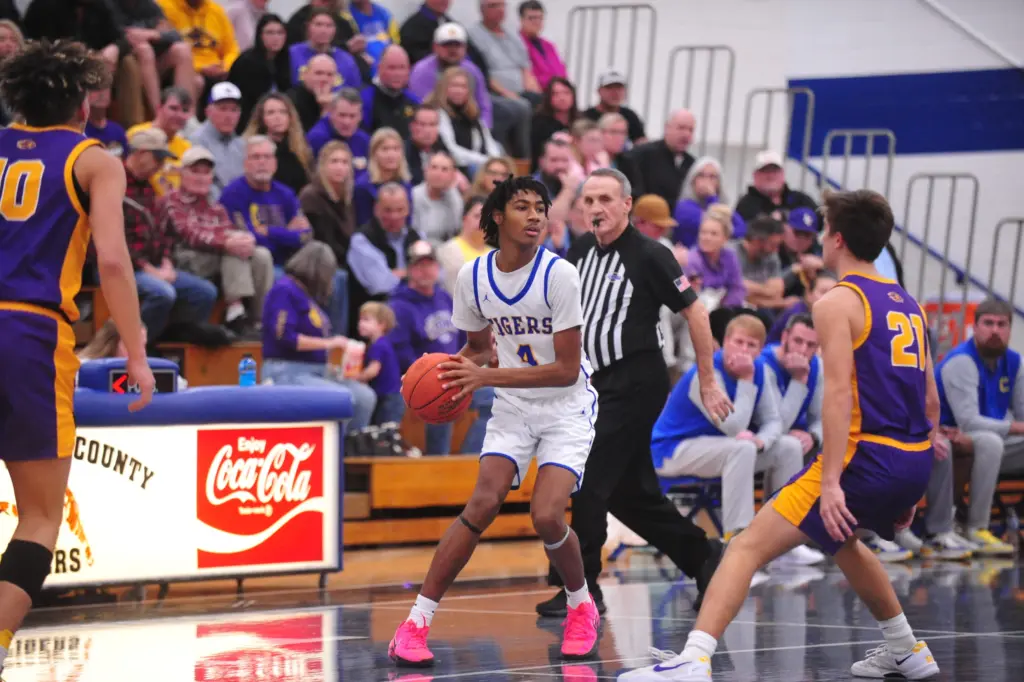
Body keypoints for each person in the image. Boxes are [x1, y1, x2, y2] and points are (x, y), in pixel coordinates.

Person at [620, 189, 943, 681]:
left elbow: (838, 396)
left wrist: (830, 482)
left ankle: (694, 660)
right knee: (842, 541)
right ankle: (906, 649)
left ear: (837, 238)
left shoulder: (838, 301)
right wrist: (912, 484)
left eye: (824, 229)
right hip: (911, 455)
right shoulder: (910, 304)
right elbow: (930, 400)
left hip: (864, 458)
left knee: (745, 546)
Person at [388, 177, 600, 666]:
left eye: (541, 207)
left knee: (546, 515)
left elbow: (567, 370)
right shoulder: (473, 276)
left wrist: (484, 377)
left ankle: (581, 605)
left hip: (565, 407)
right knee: (482, 504)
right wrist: (437, 376)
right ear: (498, 217)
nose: (535, 215)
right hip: (513, 406)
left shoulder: (560, 275)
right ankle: (415, 623)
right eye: (523, 206)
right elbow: (479, 349)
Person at [0, 40, 155, 675]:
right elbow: (112, 262)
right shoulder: (94, 160)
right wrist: (136, 353)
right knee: (40, 517)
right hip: (31, 334)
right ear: (83, 104)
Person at [536, 168, 732, 617]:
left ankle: (582, 591)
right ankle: (703, 554)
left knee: (586, 481)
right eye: (588, 201)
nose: (596, 208)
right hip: (591, 386)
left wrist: (707, 379)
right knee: (629, 495)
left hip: (636, 382)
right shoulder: (580, 251)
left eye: (606, 199)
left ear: (627, 204)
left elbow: (697, 314)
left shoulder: (650, 255)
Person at [651, 313, 823, 566]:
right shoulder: (706, 373)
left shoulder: (760, 369)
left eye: (751, 345)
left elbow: (773, 421)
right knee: (741, 449)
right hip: (673, 450)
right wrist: (746, 380)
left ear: (760, 350)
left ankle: (784, 543)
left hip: (720, 449)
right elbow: (734, 425)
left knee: (789, 447)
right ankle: (738, 548)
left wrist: (762, 441)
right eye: (738, 342)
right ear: (725, 342)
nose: (743, 350)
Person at [897, 298, 1022, 558]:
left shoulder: (1015, 362)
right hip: (952, 432)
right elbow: (969, 421)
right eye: (988, 323)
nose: (995, 330)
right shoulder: (961, 361)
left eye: (1002, 325)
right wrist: (1017, 427)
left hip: (980, 434)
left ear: (1010, 329)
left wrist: (1017, 426)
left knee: (992, 439)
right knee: (989, 442)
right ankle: (976, 527)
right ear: (974, 327)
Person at [761, 313, 824, 461]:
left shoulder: (817, 365)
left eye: (811, 345)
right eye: (798, 341)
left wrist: (813, 436)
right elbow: (777, 426)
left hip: (797, 436)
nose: (803, 350)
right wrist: (799, 380)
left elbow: (822, 418)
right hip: (760, 440)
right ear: (785, 337)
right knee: (791, 446)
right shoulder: (764, 364)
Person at [356, 301, 403, 425]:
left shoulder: (379, 345)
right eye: (360, 320)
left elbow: (373, 370)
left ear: (381, 324)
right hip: (389, 397)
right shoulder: (378, 343)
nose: (360, 324)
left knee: (384, 431)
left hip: (389, 399)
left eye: (366, 320)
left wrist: (356, 378)